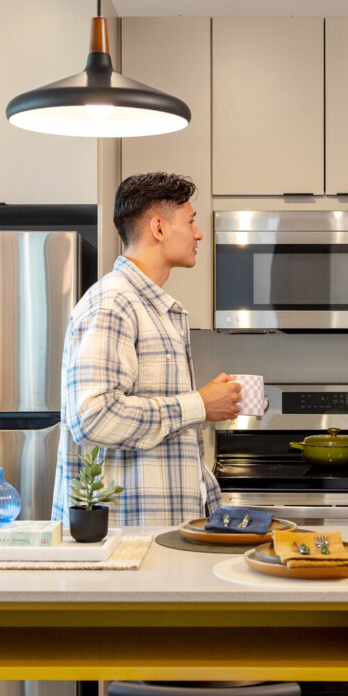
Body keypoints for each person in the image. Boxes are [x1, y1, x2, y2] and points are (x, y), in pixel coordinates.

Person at [53, 171, 241, 527]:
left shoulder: (154, 308)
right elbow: (92, 418)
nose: (198, 234)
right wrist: (198, 404)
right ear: (159, 228)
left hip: (154, 532)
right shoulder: (113, 303)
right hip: (124, 539)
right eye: (191, 221)